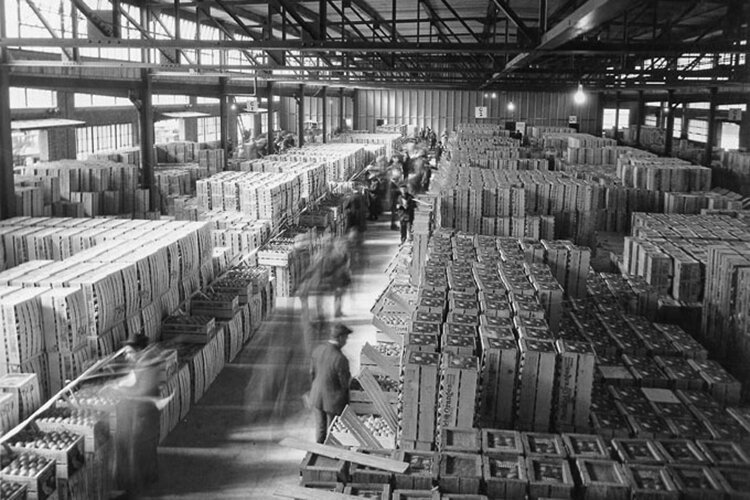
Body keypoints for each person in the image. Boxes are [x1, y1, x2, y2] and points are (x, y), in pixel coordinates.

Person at [109, 333, 164, 498]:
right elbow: (131, 378)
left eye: (129, 352)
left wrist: (120, 390)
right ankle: (146, 481)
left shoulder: (148, 364)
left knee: (138, 450)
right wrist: (115, 383)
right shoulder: (143, 361)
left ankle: (136, 490)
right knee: (143, 449)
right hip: (143, 413)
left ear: (139, 350)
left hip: (145, 414)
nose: (126, 356)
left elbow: (142, 390)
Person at [310, 323, 352, 443]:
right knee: (332, 431)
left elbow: (312, 373)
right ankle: (328, 455)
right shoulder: (340, 359)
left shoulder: (318, 350)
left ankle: (317, 451)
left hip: (317, 396)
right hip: (333, 401)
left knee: (320, 429)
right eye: (346, 338)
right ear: (340, 338)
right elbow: (345, 384)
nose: (346, 341)